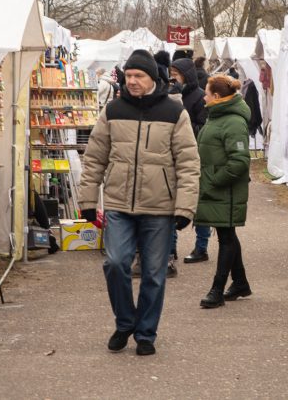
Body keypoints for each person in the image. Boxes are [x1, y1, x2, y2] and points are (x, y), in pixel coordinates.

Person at [79, 49, 200, 355]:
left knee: (154, 274)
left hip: (159, 208)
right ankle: (124, 322)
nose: (132, 81)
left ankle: (145, 333)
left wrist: (185, 207)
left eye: (138, 76)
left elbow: (188, 163)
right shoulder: (113, 110)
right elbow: (94, 158)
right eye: (128, 76)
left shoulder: (175, 112)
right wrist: (88, 199)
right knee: (116, 263)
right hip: (119, 205)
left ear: (152, 79)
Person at [194, 75, 252, 308]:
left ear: (216, 97)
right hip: (216, 189)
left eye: (206, 94)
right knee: (227, 235)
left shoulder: (233, 122)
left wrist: (215, 180)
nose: (204, 98)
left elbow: (239, 161)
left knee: (226, 237)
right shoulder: (217, 117)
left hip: (224, 190)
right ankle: (240, 283)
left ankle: (217, 289)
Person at [170, 58, 211, 263]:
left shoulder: (200, 97)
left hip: (195, 156)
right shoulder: (170, 96)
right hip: (173, 157)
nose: (172, 77)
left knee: (198, 205)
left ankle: (201, 247)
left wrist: (182, 126)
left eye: (176, 73)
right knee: (171, 203)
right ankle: (171, 248)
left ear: (186, 75)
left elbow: (203, 128)